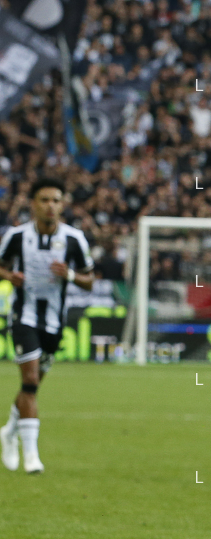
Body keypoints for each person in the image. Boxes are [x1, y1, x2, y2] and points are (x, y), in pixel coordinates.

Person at [0, 178, 95, 473]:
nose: (50, 206)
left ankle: (9, 431)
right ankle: (31, 456)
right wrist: (9, 276)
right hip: (23, 316)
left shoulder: (74, 239)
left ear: (62, 204)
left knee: (32, 386)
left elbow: (90, 280)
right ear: (33, 204)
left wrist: (70, 275)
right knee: (29, 380)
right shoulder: (16, 236)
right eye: (44, 200)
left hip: (55, 322)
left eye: (55, 200)